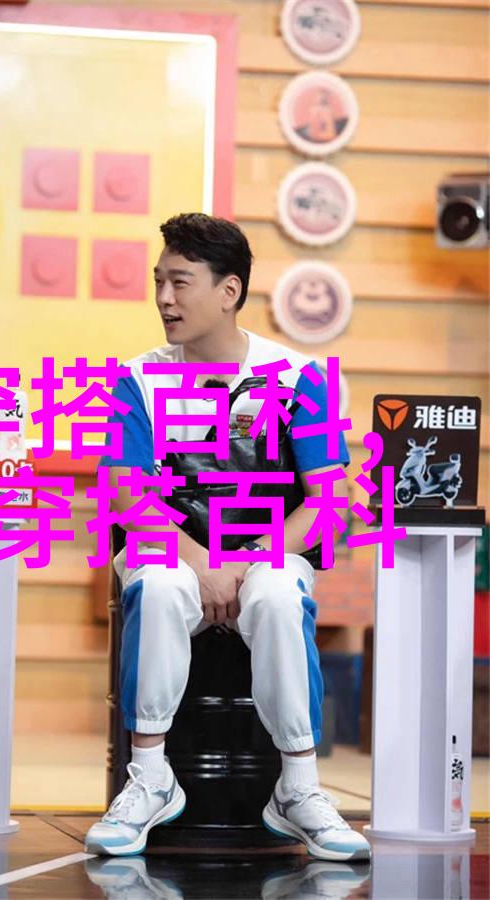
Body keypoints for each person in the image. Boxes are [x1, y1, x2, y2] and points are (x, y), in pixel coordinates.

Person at [85, 213, 370, 862]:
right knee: (158, 588)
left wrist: (245, 564)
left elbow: (330, 499)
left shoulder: (299, 379)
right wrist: (203, 563)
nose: (164, 298)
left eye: (180, 282)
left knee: (277, 598)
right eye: (158, 281)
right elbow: (126, 492)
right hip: (173, 552)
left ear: (229, 291)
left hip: (267, 555)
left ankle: (298, 790)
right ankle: (149, 779)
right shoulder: (135, 380)